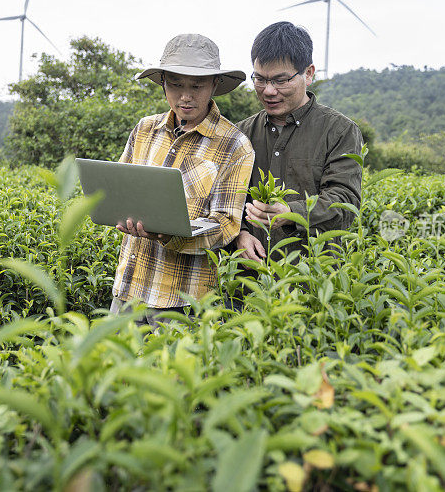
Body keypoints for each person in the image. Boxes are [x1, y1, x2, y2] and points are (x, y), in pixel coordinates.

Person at [110, 34, 255, 325]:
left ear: (214, 84)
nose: (186, 96)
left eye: (197, 85)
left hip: (184, 303)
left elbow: (226, 224)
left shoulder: (234, 145)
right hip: (128, 291)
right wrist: (118, 212)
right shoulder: (145, 129)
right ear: (163, 81)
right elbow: (119, 186)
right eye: (176, 84)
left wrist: (171, 235)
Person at [235, 22, 363, 261]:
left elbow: (345, 201)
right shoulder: (240, 134)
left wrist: (292, 213)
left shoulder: (339, 131)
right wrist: (240, 233)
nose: (269, 91)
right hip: (248, 282)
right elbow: (225, 200)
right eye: (260, 79)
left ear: (309, 73)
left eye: (281, 80)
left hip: (311, 279)